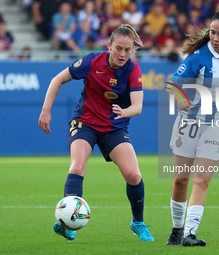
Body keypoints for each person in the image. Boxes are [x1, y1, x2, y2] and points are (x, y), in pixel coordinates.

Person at [38, 24, 154, 242]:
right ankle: (67, 223)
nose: (122, 54)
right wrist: (45, 111)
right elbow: (57, 80)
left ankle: (137, 223)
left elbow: (138, 106)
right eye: (118, 48)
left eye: (127, 50)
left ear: (132, 51)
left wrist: (125, 111)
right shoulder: (92, 61)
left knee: (134, 175)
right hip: (86, 123)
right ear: (109, 45)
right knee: (77, 166)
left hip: (115, 127)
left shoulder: (133, 70)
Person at [165, 7, 219, 247]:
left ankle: (190, 233)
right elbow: (172, 84)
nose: (215, 37)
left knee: (202, 180)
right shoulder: (198, 57)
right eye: (212, 32)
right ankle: (176, 230)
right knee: (181, 179)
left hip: (217, 126)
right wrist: (180, 99)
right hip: (189, 123)